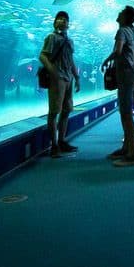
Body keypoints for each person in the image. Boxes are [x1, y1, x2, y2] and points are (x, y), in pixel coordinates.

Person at [38, 10, 81, 158]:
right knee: (54, 111)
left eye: (65, 19)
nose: (62, 21)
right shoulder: (51, 37)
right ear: (55, 22)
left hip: (68, 78)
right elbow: (42, 55)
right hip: (57, 78)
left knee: (67, 109)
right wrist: (52, 70)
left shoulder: (70, 41)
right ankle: (54, 145)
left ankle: (62, 141)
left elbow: (71, 61)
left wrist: (77, 77)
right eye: (59, 18)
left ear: (68, 24)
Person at [102, 6, 134, 167]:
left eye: (121, 13)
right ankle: (126, 147)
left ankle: (132, 153)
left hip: (125, 74)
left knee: (125, 113)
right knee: (125, 111)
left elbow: (118, 51)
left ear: (125, 17)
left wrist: (106, 60)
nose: (118, 14)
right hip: (129, 74)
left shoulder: (122, 31)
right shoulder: (130, 31)